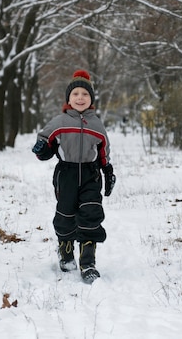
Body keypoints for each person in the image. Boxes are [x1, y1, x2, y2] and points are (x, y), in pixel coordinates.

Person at [32, 70, 116, 283]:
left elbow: (103, 150)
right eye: (76, 94)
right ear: (68, 98)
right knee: (65, 215)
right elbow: (46, 143)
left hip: (90, 174)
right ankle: (66, 250)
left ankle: (88, 263)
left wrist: (107, 171)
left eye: (85, 94)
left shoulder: (96, 124)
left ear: (91, 99)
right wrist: (42, 149)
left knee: (91, 214)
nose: (80, 98)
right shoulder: (59, 122)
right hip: (66, 174)